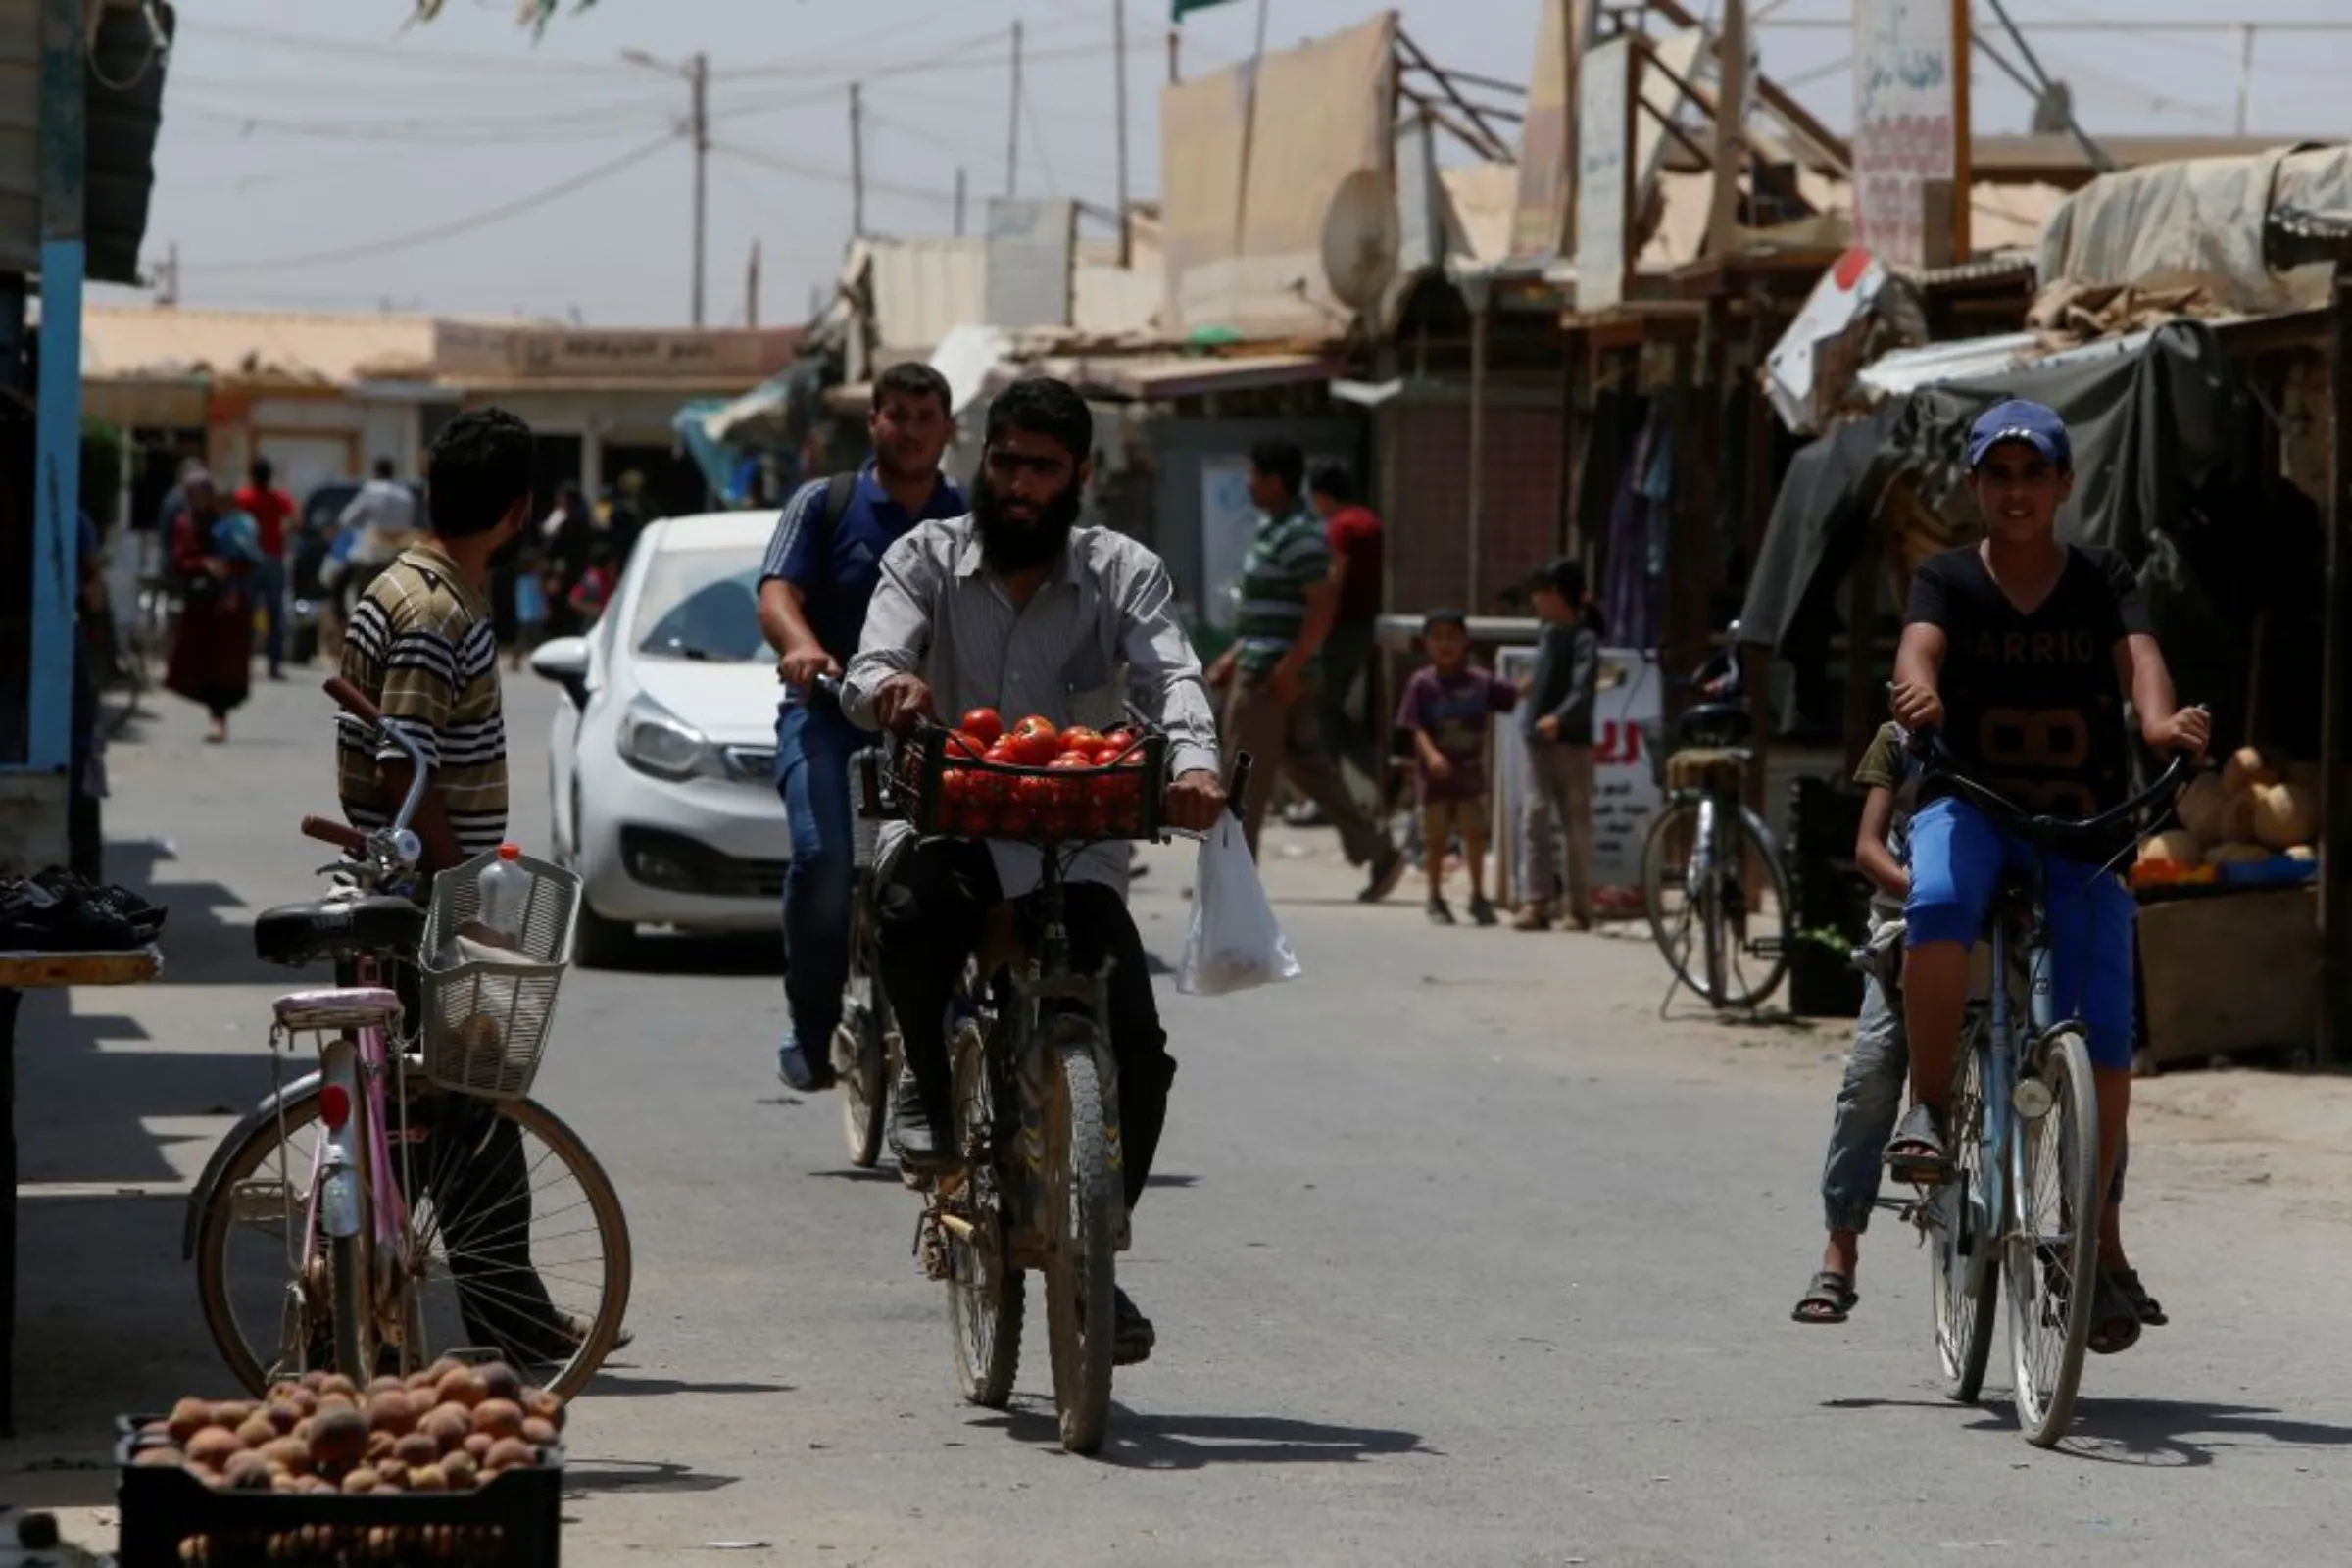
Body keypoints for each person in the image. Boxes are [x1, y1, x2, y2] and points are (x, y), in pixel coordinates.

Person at [843, 376, 1227, 1362]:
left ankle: (1096, 1251)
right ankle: (926, 1079)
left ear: (1080, 476)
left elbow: (1170, 671)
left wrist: (1191, 760)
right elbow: (868, 661)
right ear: (983, 456)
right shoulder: (923, 556)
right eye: (1005, 462)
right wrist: (892, 686)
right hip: (952, 822)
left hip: (1072, 839)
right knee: (910, 910)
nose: (1018, 485)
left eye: (1043, 469)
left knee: (1139, 1050)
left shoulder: (1122, 572)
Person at [1886, 398, 2207, 1356]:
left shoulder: (2103, 577)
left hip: (2082, 824)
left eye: (2034, 474)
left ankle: (2103, 1244)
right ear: (1977, 487)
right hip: (1972, 804)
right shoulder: (1943, 576)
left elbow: (2141, 660)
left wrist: (2160, 728)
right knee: (1938, 899)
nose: (2016, 491)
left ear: (2064, 484)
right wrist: (1919, 691)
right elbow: (1918, 651)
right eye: (1998, 475)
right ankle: (1933, 1103)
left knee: (2104, 1045)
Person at [335, 407, 615, 1362]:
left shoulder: (422, 589)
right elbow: (398, 769)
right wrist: (459, 900)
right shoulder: (434, 612)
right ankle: (358, 1313)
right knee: (452, 1121)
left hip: (416, 894)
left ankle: (493, 1319)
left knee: (449, 1121)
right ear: (520, 511)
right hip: (412, 903)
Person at [758, 361, 967, 1093]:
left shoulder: (970, 519)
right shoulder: (825, 502)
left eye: (923, 416)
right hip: (829, 719)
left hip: (936, 733)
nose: (909, 429)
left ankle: (963, 1029)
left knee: (972, 875)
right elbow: (778, 589)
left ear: (948, 429)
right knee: (823, 864)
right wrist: (801, 646)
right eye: (896, 414)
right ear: (872, 422)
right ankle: (812, 1028)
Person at [1206, 438, 1404, 899]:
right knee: (1309, 768)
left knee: (1240, 774)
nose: (1249, 484)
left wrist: (1291, 668)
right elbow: (1271, 610)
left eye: (1255, 475)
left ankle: (1231, 880)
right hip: (1263, 665)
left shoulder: (1299, 533)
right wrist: (1232, 657)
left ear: (1276, 481)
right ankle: (1378, 851)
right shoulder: (1273, 529)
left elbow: (1322, 604)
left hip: (1271, 676)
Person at [1790, 720, 1917, 1324]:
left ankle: (2095, 1250)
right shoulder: (1900, 741)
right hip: (1910, 924)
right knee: (1870, 1075)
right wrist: (1923, 893)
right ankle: (1840, 1247)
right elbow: (1869, 848)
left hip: (2008, 928)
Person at [1394, 610, 1516, 926]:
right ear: (1426, 644)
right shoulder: (1421, 684)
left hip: (1470, 773)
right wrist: (1432, 755)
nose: (1444, 644)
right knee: (1435, 839)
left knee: (1473, 834)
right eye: (1437, 638)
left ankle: (1478, 896)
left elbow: (1513, 695)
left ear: (1465, 642)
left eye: (1452, 637)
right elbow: (1415, 727)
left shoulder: (1480, 682)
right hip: (1433, 778)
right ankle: (1434, 896)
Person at [1515, 558, 1603, 932]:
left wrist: (1560, 718)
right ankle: (1536, 900)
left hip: (1571, 743)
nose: (1535, 600)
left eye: (1541, 593)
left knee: (1575, 822)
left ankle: (1579, 907)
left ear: (1557, 595)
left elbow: (1583, 688)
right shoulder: (1548, 636)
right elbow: (1544, 677)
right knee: (1534, 818)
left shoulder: (1584, 640)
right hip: (1538, 741)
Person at [1306, 463, 1384, 794]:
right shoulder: (1371, 522)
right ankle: (1377, 772)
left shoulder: (1342, 527)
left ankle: (1332, 788)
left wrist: (1316, 626)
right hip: (1366, 625)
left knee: (1323, 710)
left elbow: (1336, 579)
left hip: (1340, 628)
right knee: (1333, 707)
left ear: (1323, 496)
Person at [163, 468, 253, 744]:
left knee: (222, 667)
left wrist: (229, 572)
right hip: (198, 601)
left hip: (225, 602)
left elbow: (245, 556)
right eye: (193, 493)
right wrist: (203, 564)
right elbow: (180, 560)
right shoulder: (184, 523)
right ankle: (214, 714)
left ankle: (219, 718)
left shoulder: (228, 521)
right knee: (196, 664)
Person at [336, 457, 421, 631]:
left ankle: (346, 625)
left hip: (371, 555)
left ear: (377, 472)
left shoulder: (372, 489)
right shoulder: (405, 494)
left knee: (340, 585)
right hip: (397, 555)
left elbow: (347, 518)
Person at [234, 457, 298, 679]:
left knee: (246, 611)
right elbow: (294, 521)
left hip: (248, 559)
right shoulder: (279, 498)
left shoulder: (243, 497)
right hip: (273, 558)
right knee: (274, 612)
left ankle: (243, 662)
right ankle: (274, 664)